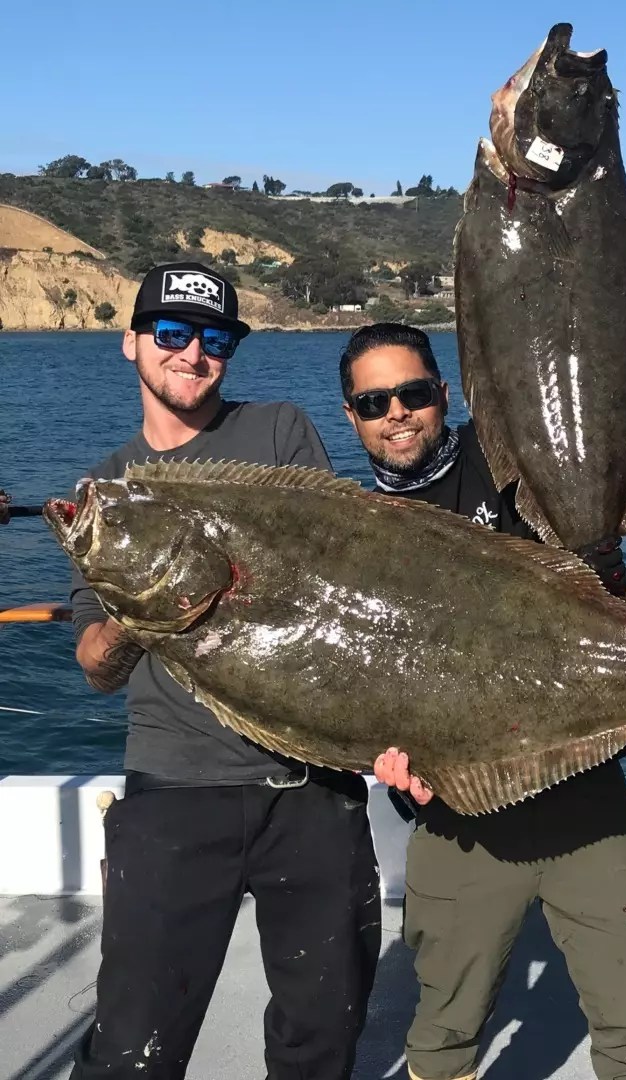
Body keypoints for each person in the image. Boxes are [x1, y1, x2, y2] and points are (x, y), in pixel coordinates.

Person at [67, 262, 381, 1079]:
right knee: (134, 1044)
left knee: (322, 1041)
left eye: (215, 339)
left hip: (310, 788)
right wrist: (142, 610)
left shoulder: (277, 431)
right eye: (170, 333)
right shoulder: (105, 493)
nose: (193, 353)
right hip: (173, 794)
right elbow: (96, 664)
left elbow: (331, 579)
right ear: (131, 342)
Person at [338, 322, 626, 1080]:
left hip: (582, 794)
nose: (397, 412)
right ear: (351, 416)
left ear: (444, 396)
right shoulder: (347, 530)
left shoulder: (517, 470)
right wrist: (382, 754)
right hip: (456, 814)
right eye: (374, 401)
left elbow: (596, 569)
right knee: (442, 1033)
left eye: (414, 394)